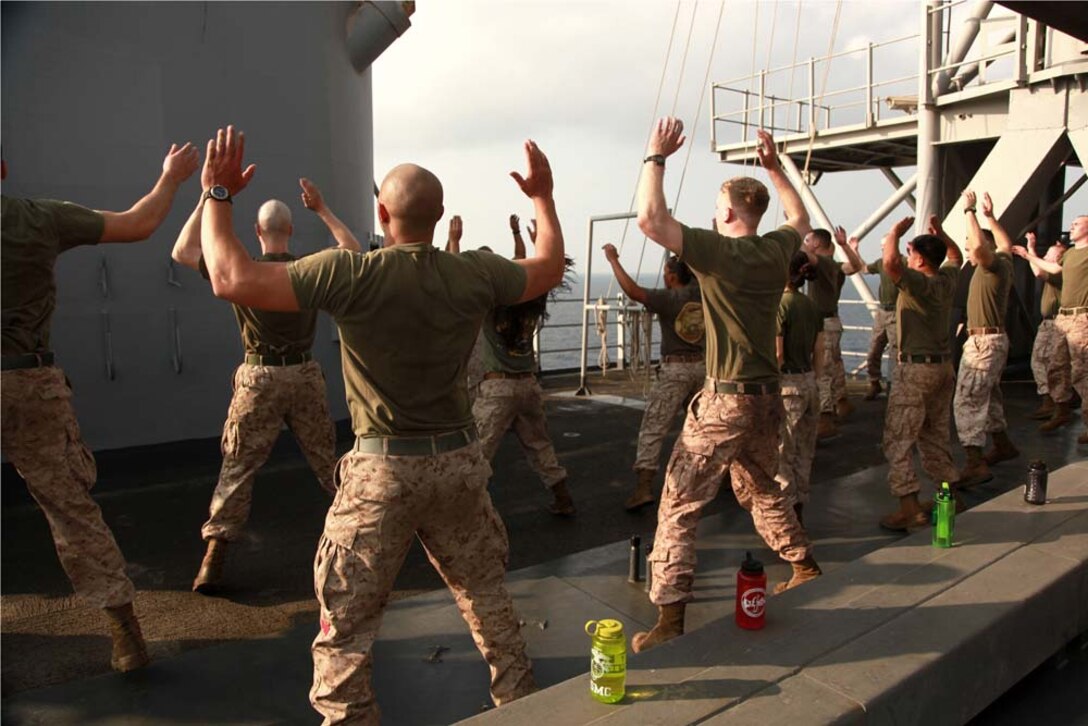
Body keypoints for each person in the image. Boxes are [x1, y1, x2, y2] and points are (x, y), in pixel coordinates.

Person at [197, 125, 564, 723]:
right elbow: (547, 265)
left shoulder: (351, 275)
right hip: (459, 468)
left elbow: (229, 278)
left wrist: (217, 194)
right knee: (487, 599)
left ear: (383, 213)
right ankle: (518, 708)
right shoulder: (474, 273)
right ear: (439, 214)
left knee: (347, 627)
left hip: (381, 475)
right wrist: (542, 197)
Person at [1, 141, 200, 671]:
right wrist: (172, 178)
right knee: (71, 510)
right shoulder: (38, 219)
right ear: (1, 167)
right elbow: (138, 224)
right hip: (29, 383)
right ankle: (125, 634)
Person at [631, 119, 820, 654]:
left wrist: (655, 155)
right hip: (768, 397)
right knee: (761, 488)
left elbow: (651, 218)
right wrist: (775, 169)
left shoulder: (719, 251)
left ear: (731, 213)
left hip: (726, 399)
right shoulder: (776, 248)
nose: (715, 211)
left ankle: (669, 618)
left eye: (718, 204)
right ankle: (803, 565)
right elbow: (800, 217)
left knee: (680, 503)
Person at [172, 177, 360, 594]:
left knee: (238, 467)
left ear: (257, 232)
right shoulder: (308, 271)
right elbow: (351, 251)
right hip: (304, 375)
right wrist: (322, 209)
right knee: (327, 464)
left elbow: (182, 251)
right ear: (289, 230)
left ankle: (214, 555)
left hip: (258, 378)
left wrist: (209, 197)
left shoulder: (243, 272)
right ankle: (359, 539)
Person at [473, 214, 575, 517]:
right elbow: (522, 266)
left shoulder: (489, 301)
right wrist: (526, 239)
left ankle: (466, 513)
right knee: (540, 446)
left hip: (497, 387)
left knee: (476, 455)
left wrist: (454, 243)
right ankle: (563, 498)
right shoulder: (528, 298)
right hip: (528, 384)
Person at [601, 243, 705, 510]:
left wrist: (613, 260)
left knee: (653, 427)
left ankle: (644, 487)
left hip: (675, 371)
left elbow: (633, 291)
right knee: (705, 426)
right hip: (703, 368)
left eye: (666, 272)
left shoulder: (668, 299)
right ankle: (723, 478)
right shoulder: (703, 293)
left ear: (671, 276)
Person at [878, 215, 964, 530]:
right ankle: (949, 494)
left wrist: (895, 233)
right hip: (943, 367)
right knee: (935, 435)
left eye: (911, 252)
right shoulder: (947, 279)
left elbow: (890, 264)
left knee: (899, 439)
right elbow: (957, 256)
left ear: (918, 258)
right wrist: (941, 233)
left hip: (915, 371)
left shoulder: (920, 283)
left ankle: (908, 508)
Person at [953, 191, 1018, 487]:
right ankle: (1003, 445)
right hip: (992, 340)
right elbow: (1004, 243)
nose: (969, 253)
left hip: (983, 345)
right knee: (989, 397)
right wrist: (991, 217)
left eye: (969, 248)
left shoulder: (990, 266)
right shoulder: (1003, 260)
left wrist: (970, 212)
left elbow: (981, 248)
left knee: (966, 400)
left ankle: (974, 463)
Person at [1014, 213, 1088, 444]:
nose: (1072, 226)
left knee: (1081, 372)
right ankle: (1061, 408)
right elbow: (1052, 269)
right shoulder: (1072, 254)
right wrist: (1029, 255)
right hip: (1063, 319)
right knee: (1055, 365)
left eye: (1078, 223)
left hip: (1082, 317)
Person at [775, 251, 825, 525]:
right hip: (809, 383)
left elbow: (778, 355)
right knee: (804, 452)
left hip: (787, 386)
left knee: (782, 453)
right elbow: (820, 351)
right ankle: (799, 508)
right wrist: (814, 380)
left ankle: (786, 517)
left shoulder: (779, 306)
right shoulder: (811, 306)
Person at [802, 226, 865, 439]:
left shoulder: (822, 265)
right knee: (834, 366)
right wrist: (845, 245)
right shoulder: (834, 267)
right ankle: (841, 402)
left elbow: (804, 254)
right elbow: (856, 265)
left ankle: (825, 418)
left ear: (817, 244)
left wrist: (794, 226)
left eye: (808, 240)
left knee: (822, 371)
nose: (806, 242)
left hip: (823, 324)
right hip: (832, 321)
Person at [1020, 232, 1066, 421]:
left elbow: (1039, 271)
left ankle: (1057, 402)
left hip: (1057, 323)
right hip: (1048, 322)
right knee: (1040, 361)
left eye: (1048, 256)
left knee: (1054, 364)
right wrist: (1031, 249)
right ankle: (1050, 400)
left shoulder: (1061, 272)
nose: (1044, 259)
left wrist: (1029, 252)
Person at [859, 237, 900, 400]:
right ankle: (874, 382)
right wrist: (854, 250)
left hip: (897, 312)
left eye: (886, 246)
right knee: (874, 350)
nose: (883, 250)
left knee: (896, 352)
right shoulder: (880, 263)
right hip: (882, 312)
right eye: (882, 247)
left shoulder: (902, 262)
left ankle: (894, 386)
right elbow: (864, 268)